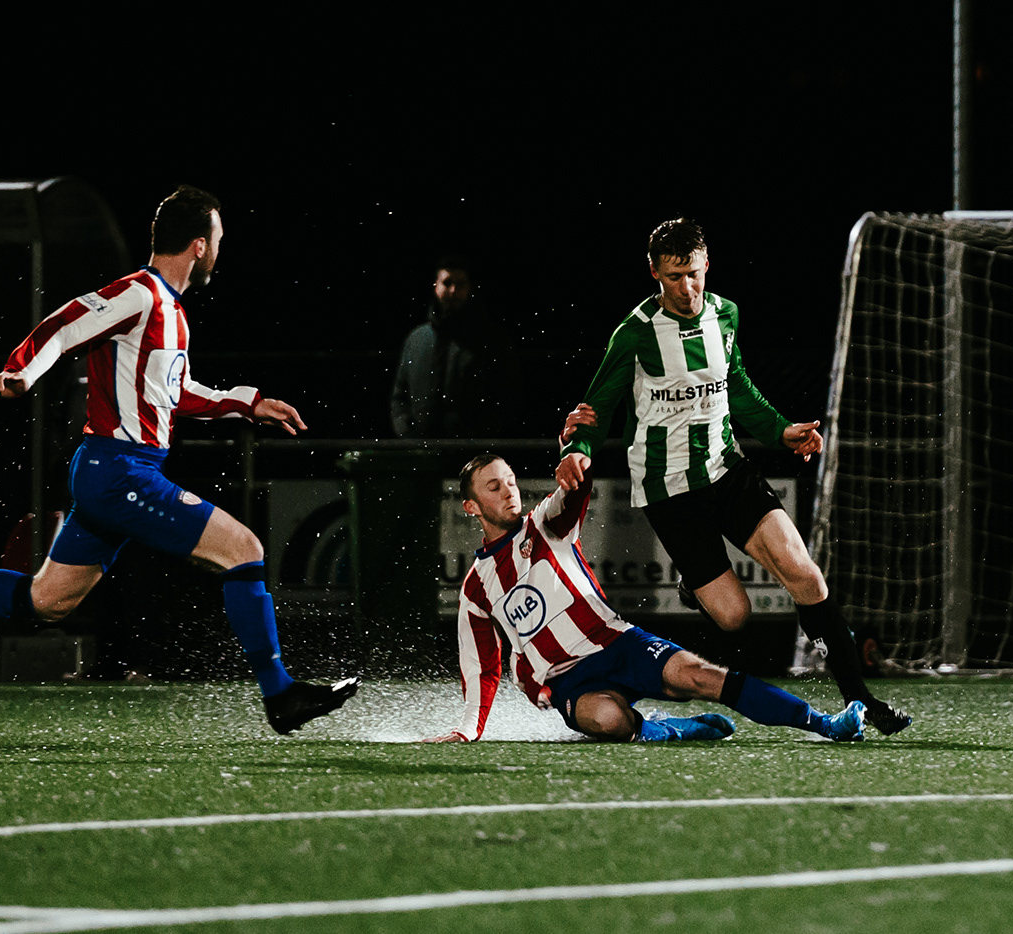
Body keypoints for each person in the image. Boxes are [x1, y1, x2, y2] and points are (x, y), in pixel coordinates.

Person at [0, 186, 356, 734]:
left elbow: (174, 392)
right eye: (218, 239)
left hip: (111, 473)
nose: (220, 249)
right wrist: (22, 371)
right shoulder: (140, 294)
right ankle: (280, 694)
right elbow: (67, 322)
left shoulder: (169, 309)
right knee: (244, 549)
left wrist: (247, 403)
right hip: (120, 472)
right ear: (199, 245)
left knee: (47, 601)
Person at [554, 218, 909, 734]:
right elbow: (596, 408)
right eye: (674, 277)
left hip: (728, 469)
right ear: (654, 273)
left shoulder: (725, 314)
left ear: (707, 265)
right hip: (670, 490)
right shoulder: (635, 333)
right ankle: (695, 588)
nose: (686, 288)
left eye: (694, 274)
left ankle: (863, 701)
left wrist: (780, 431)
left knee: (805, 574)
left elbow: (735, 385)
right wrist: (578, 450)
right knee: (734, 617)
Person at [425, 453, 866, 744]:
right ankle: (667, 730)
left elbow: (574, 490)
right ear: (471, 506)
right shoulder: (476, 586)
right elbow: (481, 666)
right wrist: (467, 729)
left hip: (620, 643)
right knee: (609, 720)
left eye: (510, 481)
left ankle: (824, 723)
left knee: (702, 676)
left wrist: (576, 454)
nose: (509, 491)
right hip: (568, 681)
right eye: (494, 487)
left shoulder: (544, 525)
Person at [389, 257, 521, 437]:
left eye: (460, 284)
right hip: (422, 448)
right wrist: (408, 433)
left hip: (469, 449)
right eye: (447, 283)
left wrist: (477, 437)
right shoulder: (417, 339)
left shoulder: (491, 339)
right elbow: (399, 395)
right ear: (436, 286)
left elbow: (506, 396)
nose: (453, 290)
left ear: (470, 288)